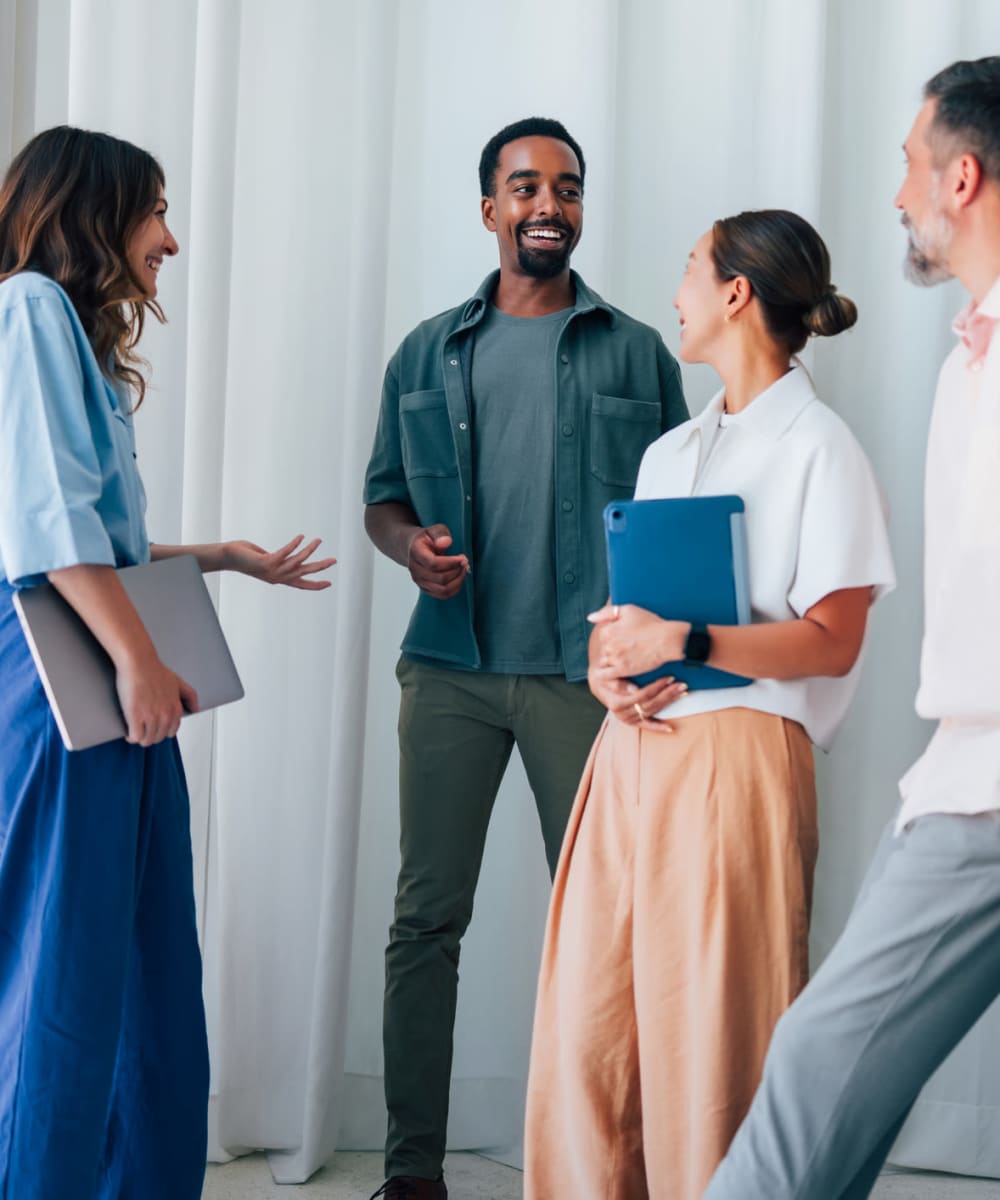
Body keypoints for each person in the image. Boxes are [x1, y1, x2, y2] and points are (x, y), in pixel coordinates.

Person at [522, 209, 897, 1200]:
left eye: (691, 268)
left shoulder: (821, 448)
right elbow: (634, 619)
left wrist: (685, 642)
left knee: (713, 1040)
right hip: (629, 753)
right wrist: (610, 663)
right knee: (591, 1032)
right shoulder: (671, 453)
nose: (676, 291)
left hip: (740, 757)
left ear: (736, 293)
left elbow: (834, 639)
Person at [0, 125, 335, 1200]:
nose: (171, 240)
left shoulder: (74, 338)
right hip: (67, 680)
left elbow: (100, 537)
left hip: (107, 669)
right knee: (63, 969)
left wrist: (221, 557)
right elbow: (48, 531)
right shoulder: (29, 308)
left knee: (145, 965)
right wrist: (141, 663)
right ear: (95, 212)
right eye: (155, 212)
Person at [363, 116, 688, 1199]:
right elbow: (381, 499)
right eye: (526, 186)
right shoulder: (425, 351)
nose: (549, 204)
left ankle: (608, 1168)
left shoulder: (637, 351)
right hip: (448, 670)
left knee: (606, 923)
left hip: (582, 679)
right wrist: (411, 548)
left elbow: (677, 511)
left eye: (568, 187)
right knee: (424, 920)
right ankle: (412, 1172)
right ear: (490, 208)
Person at [703, 55, 1000, 1200]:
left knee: (818, 1064)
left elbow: (833, 632)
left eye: (909, 165)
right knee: (831, 1071)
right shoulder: (969, 353)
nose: (896, 194)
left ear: (961, 179)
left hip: (985, 787)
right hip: (960, 768)